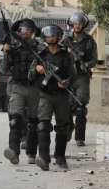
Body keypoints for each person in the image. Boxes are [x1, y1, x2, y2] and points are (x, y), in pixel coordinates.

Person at [29, 24, 76, 171]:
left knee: (62, 128)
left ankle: (60, 157)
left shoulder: (66, 56)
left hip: (61, 96)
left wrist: (66, 82)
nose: (51, 38)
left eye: (54, 36)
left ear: (59, 37)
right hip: (45, 95)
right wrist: (37, 69)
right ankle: (44, 158)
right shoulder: (40, 55)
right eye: (49, 36)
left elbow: (73, 75)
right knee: (43, 125)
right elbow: (30, 76)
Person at [1, 19, 41, 165]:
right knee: (15, 120)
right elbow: (3, 69)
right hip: (17, 87)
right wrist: (7, 53)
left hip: (34, 88)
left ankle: (31, 152)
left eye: (28, 30)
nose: (25, 33)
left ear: (33, 32)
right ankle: (13, 152)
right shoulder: (14, 47)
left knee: (33, 123)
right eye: (23, 30)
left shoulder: (39, 48)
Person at [62, 12, 98, 147]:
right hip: (68, 76)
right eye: (75, 24)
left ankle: (80, 138)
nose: (77, 26)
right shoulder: (66, 40)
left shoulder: (89, 41)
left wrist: (85, 65)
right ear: (71, 24)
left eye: (79, 24)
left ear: (83, 25)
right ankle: (68, 129)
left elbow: (94, 60)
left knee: (80, 108)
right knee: (66, 107)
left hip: (82, 77)